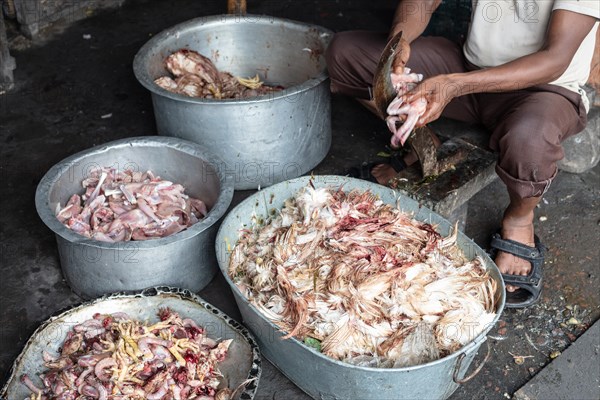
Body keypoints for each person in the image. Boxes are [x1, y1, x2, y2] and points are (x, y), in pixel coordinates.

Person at [325, 0, 599, 307]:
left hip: (544, 90)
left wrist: (455, 86)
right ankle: (424, 146)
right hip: (469, 69)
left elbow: (555, 60)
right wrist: (399, 42)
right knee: (348, 53)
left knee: (530, 140)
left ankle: (520, 219)